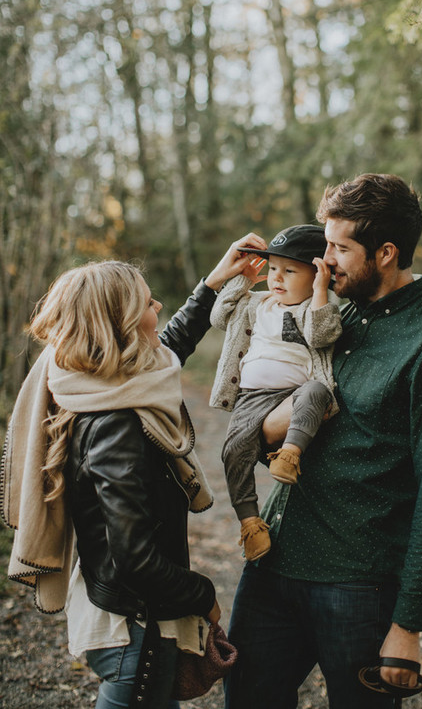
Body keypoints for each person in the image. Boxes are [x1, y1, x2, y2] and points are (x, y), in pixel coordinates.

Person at [224, 174, 422, 709]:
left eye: (339, 248)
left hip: (359, 588)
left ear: (386, 252)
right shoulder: (332, 314)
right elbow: (268, 404)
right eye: (325, 243)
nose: (324, 260)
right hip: (273, 566)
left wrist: (408, 625)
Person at [0, 233, 267, 709]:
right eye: (147, 303)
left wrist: (213, 283)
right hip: (136, 631)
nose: (159, 306)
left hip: (126, 619)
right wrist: (204, 595)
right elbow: (135, 560)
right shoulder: (117, 424)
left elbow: (168, 348)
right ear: (121, 323)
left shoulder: (98, 386)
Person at [209, 225, 342, 562]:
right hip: (251, 397)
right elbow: (218, 314)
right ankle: (251, 523)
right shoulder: (256, 304)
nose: (277, 278)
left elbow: (324, 335)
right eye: (272, 269)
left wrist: (321, 290)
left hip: (292, 397)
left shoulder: (317, 307)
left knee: (317, 391)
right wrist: (241, 280)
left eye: (289, 270)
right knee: (233, 451)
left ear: (315, 275)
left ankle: (290, 454)